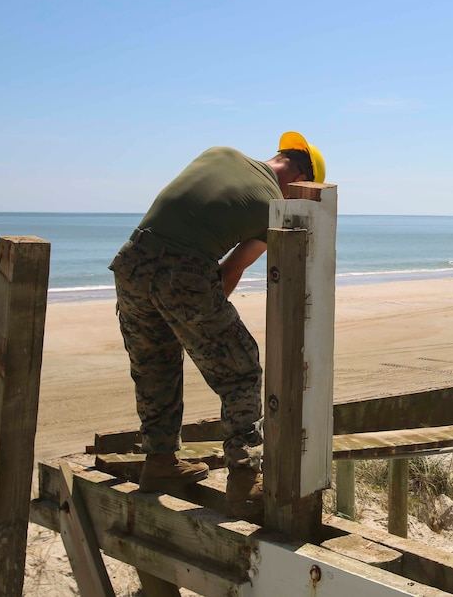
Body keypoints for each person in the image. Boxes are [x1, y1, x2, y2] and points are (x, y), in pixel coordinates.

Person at [108, 131, 326, 512]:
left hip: (131, 260)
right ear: (299, 181)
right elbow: (232, 267)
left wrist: (186, 321)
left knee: (154, 365)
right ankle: (243, 476)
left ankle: (159, 461)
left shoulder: (219, 151)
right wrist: (201, 324)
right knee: (240, 368)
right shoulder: (274, 205)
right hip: (183, 270)